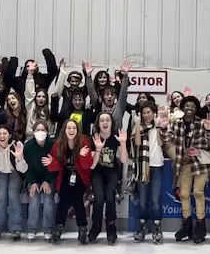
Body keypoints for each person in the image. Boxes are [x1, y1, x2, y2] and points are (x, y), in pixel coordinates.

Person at [158, 95, 210, 244]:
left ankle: (200, 228)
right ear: (183, 108)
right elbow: (167, 139)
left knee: (198, 192)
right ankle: (187, 226)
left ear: (196, 108)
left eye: (192, 105)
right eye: (187, 105)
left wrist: (209, 130)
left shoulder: (203, 123)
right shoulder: (177, 124)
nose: (189, 107)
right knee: (183, 194)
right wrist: (163, 128)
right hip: (184, 164)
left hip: (200, 164)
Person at [48, 119, 93, 244]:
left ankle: (82, 228)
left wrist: (80, 155)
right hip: (64, 175)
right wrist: (51, 163)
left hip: (80, 175)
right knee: (63, 201)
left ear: (77, 130)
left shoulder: (84, 141)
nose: (71, 130)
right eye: (69, 128)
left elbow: (87, 165)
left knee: (78, 200)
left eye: (74, 128)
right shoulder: (58, 144)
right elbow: (55, 164)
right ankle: (58, 227)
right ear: (64, 130)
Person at [89, 113, 129, 245]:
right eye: (102, 120)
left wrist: (123, 143)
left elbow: (123, 160)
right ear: (98, 124)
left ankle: (111, 230)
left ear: (111, 123)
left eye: (107, 120)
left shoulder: (116, 138)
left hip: (112, 172)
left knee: (110, 199)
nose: (105, 122)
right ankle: (95, 228)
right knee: (99, 199)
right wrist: (98, 149)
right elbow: (92, 165)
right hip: (97, 173)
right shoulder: (94, 138)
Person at [0, 125, 27, 241]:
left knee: (13, 196)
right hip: (0, 171)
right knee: (1, 197)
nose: (2, 136)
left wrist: (19, 159)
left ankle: (16, 228)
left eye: (4, 133)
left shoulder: (17, 145)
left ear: (9, 135)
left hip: (15, 170)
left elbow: (23, 169)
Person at [132, 102, 164, 244]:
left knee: (155, 201)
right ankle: (142, 226)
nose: (146, 115)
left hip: (157, 165)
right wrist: (138, 125)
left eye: (148, 112)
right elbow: (137, 143)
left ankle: (157, 227)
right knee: (143, 201)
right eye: (144, 113)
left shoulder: (160, 124)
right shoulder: (138, 126)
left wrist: (157, 126)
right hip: (142, 166)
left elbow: (161, 143)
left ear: (154, 112)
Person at [23, 120, 56, 242]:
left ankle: (48, 229)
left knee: (48, 200)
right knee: (34, 199)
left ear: (47, 132)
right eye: (38, 130)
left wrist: (47, 180)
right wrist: (32, 182)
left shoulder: (53, 144)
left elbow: (56, 165)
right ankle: (31, 230)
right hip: (34, 179)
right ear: (33, 131)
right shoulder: (28, 146)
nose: (40, 132)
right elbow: (27, 166)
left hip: (49, 178)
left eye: (43, 130)